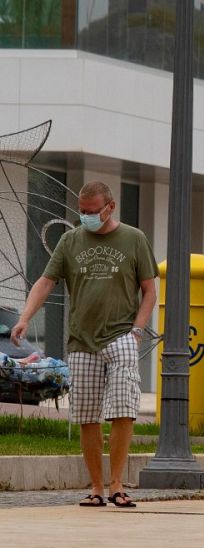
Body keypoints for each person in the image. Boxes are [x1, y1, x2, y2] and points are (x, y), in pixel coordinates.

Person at [11, 181, 156, 509]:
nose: (87, 216)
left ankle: (117, 483)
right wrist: (25, 317)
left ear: (110, 207)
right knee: (87, 415)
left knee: (123, 410)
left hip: (121, 337)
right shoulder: (70, 240)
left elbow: (149, 291)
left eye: (93, 211)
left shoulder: (134, 238)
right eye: (82, 211)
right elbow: (46, 281)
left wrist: (137, 331)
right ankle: (96, 487)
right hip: (81, 341)